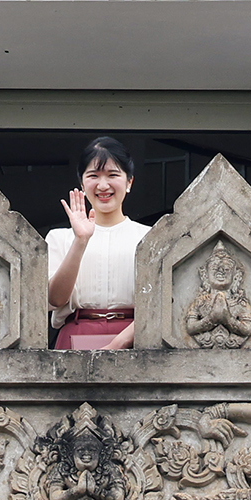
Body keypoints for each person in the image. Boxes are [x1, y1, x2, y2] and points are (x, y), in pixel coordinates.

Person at [47, 136, 149, 350]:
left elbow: (164, 302)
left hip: (137, 339)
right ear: (82, 183)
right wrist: (81, 240)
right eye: (93, 175)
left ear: (129, 182)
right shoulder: (59, 238)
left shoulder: (150, 237)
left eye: (113, 175)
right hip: (74, 338)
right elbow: (55, 299)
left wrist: (119, 342)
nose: (103, 185)